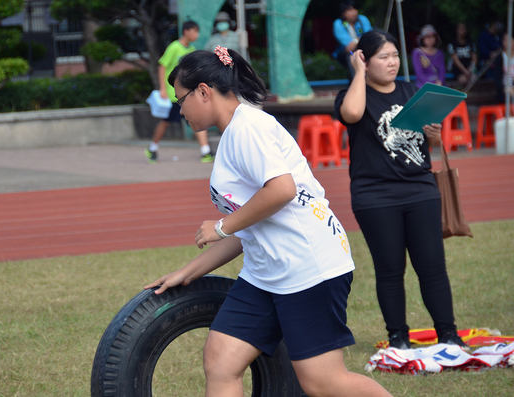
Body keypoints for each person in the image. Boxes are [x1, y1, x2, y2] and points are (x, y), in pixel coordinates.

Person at [145, 46, 392, 397]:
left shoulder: (249, 127)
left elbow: (282, 190)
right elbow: (249, 225)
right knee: (221, 360)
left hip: (308, 266)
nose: (178, 108)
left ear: (203, 91)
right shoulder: (233, 132)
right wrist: (188, 271)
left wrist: (220, 227)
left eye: (180, 98)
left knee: (323, 383)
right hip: (267, 272)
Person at [334, 29, 469, 351]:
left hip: (420, 189)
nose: (392, 62)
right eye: (383, 57)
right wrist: (359, 73)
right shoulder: (353, 94)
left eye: (395, 55)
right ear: (365, 60)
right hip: (375, 195)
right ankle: (399, 339)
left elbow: (426, 143)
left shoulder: (412, 90)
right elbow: (351, 114)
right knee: (390, 270)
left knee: (433, 267)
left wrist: (433, 135)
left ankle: (448, 335)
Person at [145, 20, 214, 164]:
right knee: (166, 122)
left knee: (197, 118)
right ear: (186, 31)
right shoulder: (174, 47)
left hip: (187, 94)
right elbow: (162, 66)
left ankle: (205, 151)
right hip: (173, 95)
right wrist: (163, 88)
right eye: (195, 31)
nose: (197, 34)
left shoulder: (191, 50)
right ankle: (152, 148)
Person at [332, 0, 373, 79]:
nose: (353, 12)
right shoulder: (339, 24)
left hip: (364, 49)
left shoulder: (362, 19)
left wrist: (356, 41)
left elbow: (370, 37)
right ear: (344, 13)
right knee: (352, 54)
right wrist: (359, 39)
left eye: (354, 9)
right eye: (349, 10)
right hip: (345, 53)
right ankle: (356, 79)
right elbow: (349, 47)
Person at [494, 33, 514, 104]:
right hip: (505, 89)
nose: (505, 42)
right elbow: (498, 78)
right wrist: (504, 89)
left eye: (508, 40)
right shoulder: (500, 58)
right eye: (504, 40)